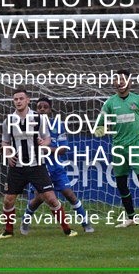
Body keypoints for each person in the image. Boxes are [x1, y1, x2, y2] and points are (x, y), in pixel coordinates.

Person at [0, 88, 75, 239]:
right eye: (16, 99)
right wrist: (8, 155)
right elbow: (5, 142)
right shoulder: (9, 121)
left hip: (37, 165)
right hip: (17, 167)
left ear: (28, 100)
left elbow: (47, 139)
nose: (18, 101)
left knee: (51, 198)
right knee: (8, 200)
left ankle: (67, 230)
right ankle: (8, 231)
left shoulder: (38, 119)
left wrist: (44, 146)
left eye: (21, 98)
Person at [20, 97, 94, 235]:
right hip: (38, 168)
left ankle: (85, 222)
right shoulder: (29, 125)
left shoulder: (57, 125)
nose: (42, 109)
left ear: (50, 110)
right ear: (35, 110)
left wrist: (47, 149)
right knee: (40, 198)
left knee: (69, 194)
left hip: (55, 167)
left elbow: (64, 149)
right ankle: (25, 220)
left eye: (45, 107)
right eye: (39, 107)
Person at [92, 70, 139, 229]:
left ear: (129, 82)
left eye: (122, 80)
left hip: (136, 148)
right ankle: (131, 217)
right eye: (116, 80)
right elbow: (100, 122)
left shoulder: (138, 100)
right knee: (121, 184)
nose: (119, 82)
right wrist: (99, 129)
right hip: (118, 148)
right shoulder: (110, 103)